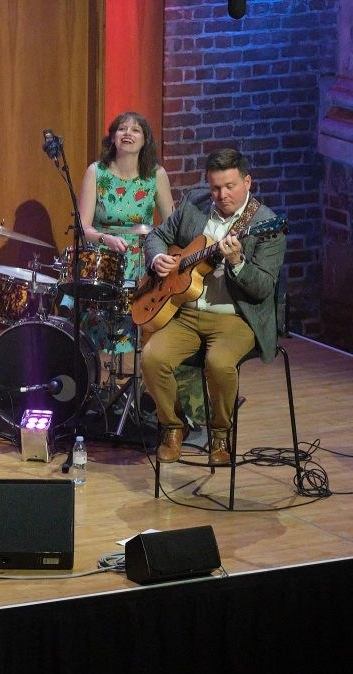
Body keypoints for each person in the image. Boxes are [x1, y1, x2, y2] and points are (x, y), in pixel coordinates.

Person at [140, 148, 285, 465]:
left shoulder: (266, 224)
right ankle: (173, 427)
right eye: (216, 187)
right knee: (152, 358)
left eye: (230, 186)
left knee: (218, 363)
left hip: (235, 318)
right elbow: (157, 235)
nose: (221, 195)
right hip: (187, 313)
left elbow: (263, 288)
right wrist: (158, 257)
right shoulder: (196, 203)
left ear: (247, 182)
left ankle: (220, 435)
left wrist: (237, 262)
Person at [69, 111, 174, 355]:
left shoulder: (156, 175)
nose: (128, 133)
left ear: (145, 140)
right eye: (122, 128)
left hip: (142, 259)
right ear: (113, 137)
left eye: (136, 130)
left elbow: (171, 225)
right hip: (103, 257)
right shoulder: (96, 171)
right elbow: (83, 228)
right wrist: (105, 239)